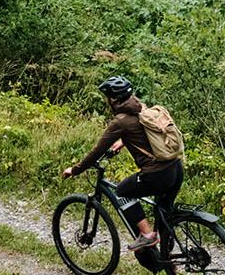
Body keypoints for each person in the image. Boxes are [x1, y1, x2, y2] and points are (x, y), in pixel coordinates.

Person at [60, 74, 183, 254]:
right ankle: (167, 260)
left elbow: (97, 151)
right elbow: (144, 130)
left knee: (122, 191)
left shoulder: (120, 122)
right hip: (175, 167)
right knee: (163, 215)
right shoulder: (140, 107)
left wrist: (76, 169)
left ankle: (147, 234)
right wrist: (124, 141)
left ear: (112, 99)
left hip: (157, 174)